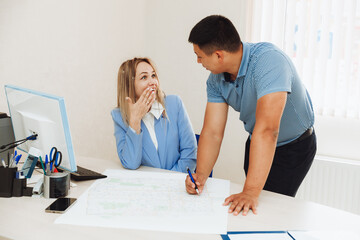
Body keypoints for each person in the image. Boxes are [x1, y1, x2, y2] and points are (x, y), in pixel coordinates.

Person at [185, 15, 316, 216]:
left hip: (293, 146)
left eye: (200, 56)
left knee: (267, 210)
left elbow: (268, 130)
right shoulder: (215, 80)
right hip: (257, 140)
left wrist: (250, 191)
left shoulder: (269, 62)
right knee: (250, 209)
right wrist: (201, 175)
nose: (198, 61)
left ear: (219, 55)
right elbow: (212, 132)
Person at [111, 57, 197, 173]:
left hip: (177, 182)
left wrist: (170, 180)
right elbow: (130, 163)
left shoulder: (174, 104)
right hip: (146, 186)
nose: (152, 82)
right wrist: (135, 120)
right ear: (129, 84)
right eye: (144, 77)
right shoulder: (119, 116)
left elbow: (190, 154)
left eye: (153, 75)